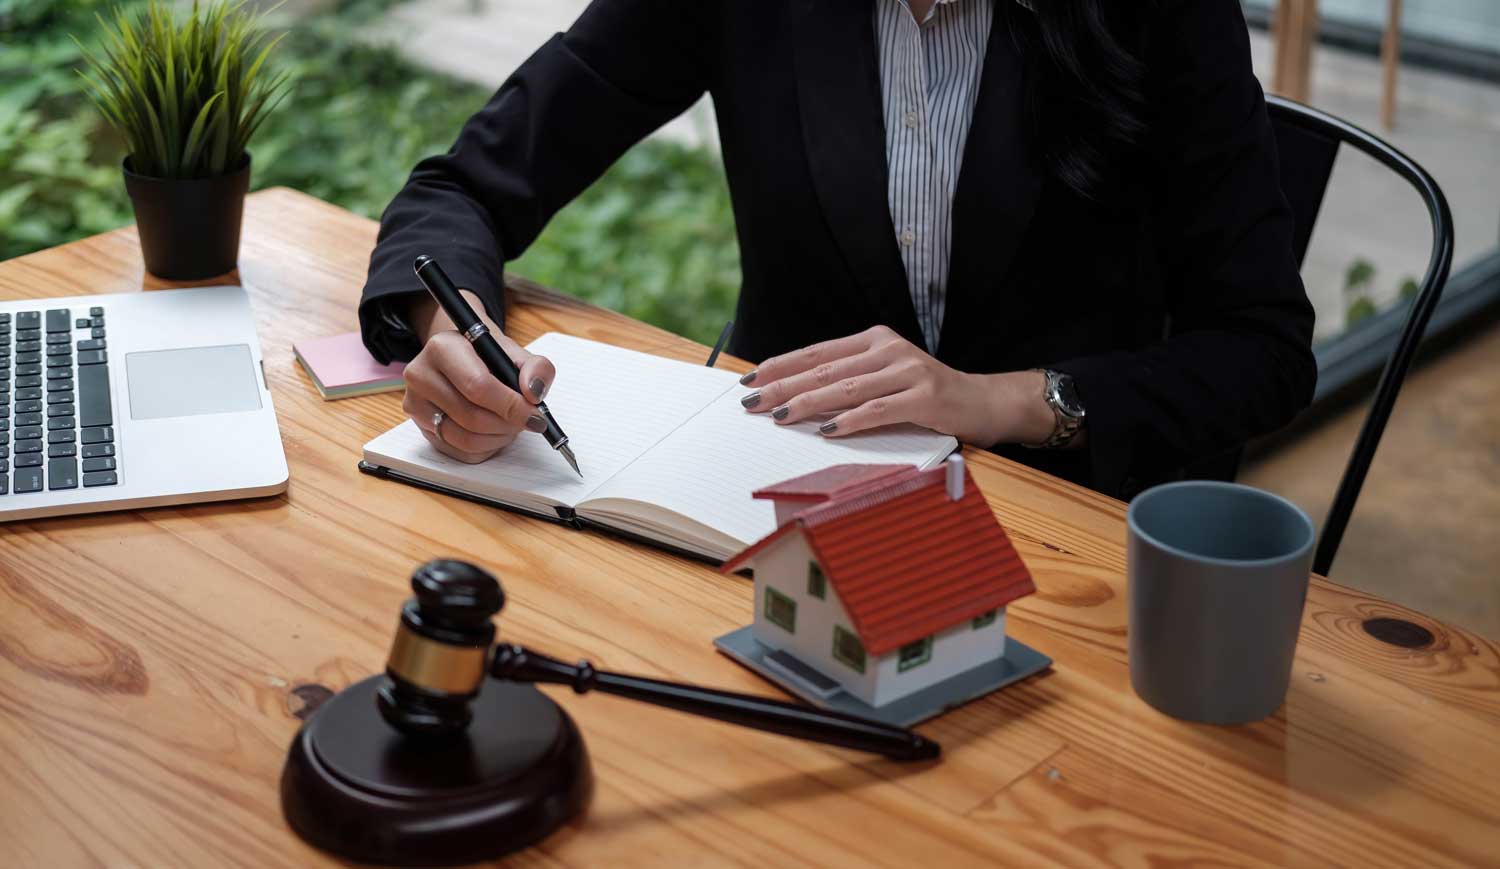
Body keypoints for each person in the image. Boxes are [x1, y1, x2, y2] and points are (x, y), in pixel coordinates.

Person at [359, 0, 1315, 500]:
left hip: (1057, 525)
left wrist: (1004, 399)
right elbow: (465, 187)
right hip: (769, 498)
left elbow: (1262, 350)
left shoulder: (1157, 13)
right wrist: (457, 332)